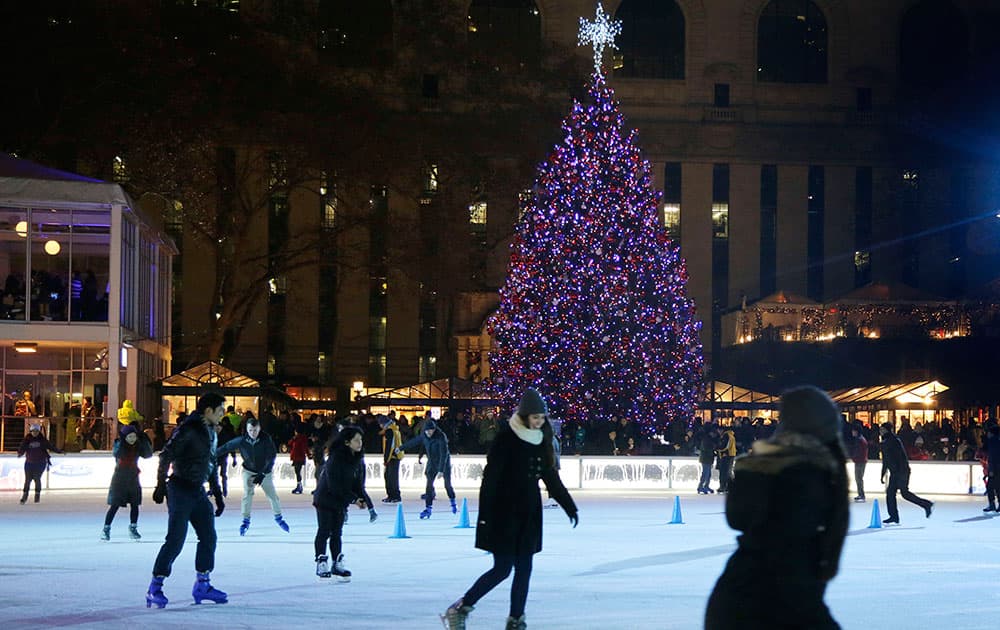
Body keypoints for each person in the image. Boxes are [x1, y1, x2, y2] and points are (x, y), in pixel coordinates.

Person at [704, 385, 848, 629]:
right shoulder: (815, 470)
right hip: (778, 596)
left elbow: (737, 518)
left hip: (735, 592)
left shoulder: (760, 463)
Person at [442, 388, 578, 630]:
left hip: (529, 514)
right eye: (535, 417)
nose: (539, 422)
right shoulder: (506, 439)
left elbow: (550, 477)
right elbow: (490, 481)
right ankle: (460, 608)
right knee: (502, 569)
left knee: (525, 569)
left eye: (542, 417)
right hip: (504, 513)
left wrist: (569, 505)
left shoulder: (541, 440)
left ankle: (516, 620)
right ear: (524, 416)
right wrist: (486, 518)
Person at [146, 392, 228, 609]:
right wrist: (160, 485)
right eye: (220, 410)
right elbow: (165, 455)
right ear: (208, 411)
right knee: (176, 539)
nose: (222, 415)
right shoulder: (189, 429)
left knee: (209, 537)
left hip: (197, 491)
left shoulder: (211, 432)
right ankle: (155, 586)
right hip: (179, 489)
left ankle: (203, 584)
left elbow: (210, 463)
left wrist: (217, 494)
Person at [312, 426, 377, 582]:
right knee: (324, 530)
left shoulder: (358, 459)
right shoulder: (336, 458)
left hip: (341, 501)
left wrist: (366, 502)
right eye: (356, 440)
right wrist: (353, 499)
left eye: (361, 439)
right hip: (325, 499)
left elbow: (358, 485)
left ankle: (336, 563)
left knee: (337, 532)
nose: (360, 443)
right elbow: (334, 485)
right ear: (347, 442)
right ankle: (321, 562)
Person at [216, 415, 289, 536]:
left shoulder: (266, 439)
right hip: (248, 471)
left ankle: (278, 517)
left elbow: (271, 457)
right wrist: (211, 454)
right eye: (250, 430)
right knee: (247, 495)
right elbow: (225, 447)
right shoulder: (242, 440)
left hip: (265, 471)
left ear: (259, 428)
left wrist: (263, 473)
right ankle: (245, 520)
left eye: (255, 430)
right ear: (247, 429)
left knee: (272, 495)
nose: (253, 433)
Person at [102, 423, 153, 541]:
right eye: (129, 437)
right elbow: (117, 453)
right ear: (124, 437)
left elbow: (148, 454)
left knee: (135, 504)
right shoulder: (119, 445)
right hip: (119, 480)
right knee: (114, 505)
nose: (132, 439)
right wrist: (121, 442)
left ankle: (133, 527)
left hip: (133, 478)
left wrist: (145, 441)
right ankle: (106, 528)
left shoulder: (138, 446)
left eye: (134, 437)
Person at [397, 417, 456, 519]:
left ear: (434, 429)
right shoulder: (424, 435)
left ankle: (453, 502)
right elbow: (414, 442)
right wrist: (401, 448)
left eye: (431, 430)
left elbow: (444, 454)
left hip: (444, 463)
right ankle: (428, 507)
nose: (429, 433)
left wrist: (441, 470)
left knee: (447, 485)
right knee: (429, 485)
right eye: (427, 431)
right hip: (432, 463)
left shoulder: (441, 437)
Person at [879, 421, 934, 524]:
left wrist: (898, 472)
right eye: (880, 430)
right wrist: (883, 473)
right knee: (890, 493)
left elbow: (900, 457)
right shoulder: (886, 441)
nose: (881, 432)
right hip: (896, 472)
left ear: (887, 430)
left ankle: (926, 504)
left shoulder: (893, 441)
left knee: (904, 493)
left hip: (901, 471)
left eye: (882, 430)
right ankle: (894, 516)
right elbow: (886, 460)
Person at [17, 423, 60, 504]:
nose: (35, 433)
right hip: (29, 463)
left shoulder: (42, 440)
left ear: (39, 431)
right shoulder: (27, 440)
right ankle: (24, 496)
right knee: (28, 480)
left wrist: (59, 451)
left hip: (40, 463)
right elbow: (22, 447)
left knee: (37, 478)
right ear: (31, 431)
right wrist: (20, 453)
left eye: (37, 431)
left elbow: (50, 446)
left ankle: (37, 496)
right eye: (33, 431)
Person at [379, 414, 403, 503]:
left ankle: (394, 496)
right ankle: (392, 495)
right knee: (390, 477)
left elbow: (390, 446)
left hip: (393, 457)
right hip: (394, 456)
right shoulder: (394, 429)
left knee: (391, 478)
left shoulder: (390, 431)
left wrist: (386, 459)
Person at [850, 421, 868, 502]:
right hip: (861, 461)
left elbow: (859, 451)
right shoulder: (861, 439)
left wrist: (854, 458)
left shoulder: (859, 440)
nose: (852, 432)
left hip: (860, 461)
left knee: (859, 478)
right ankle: (860, 494)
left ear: (856, 431)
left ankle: (861, 494)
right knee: (858, 478)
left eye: (853, 431)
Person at [288, 424, 310, 494]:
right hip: (297, 457)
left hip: (299, 457)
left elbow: (304, 448)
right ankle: (299, 485)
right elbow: (290, 443)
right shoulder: (296, 438)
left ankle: (299, 485)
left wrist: (308, 454)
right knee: (297, 472)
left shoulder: (301, 438)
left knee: (297, 471)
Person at [697, 425, 718, 494]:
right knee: (705, 473)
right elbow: (706, 448)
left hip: (707, 459)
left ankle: (706, 486)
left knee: (708, 474)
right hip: (706, 459)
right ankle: (700, 487)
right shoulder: (706, 439)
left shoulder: (708, 439)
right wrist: (713, 449)